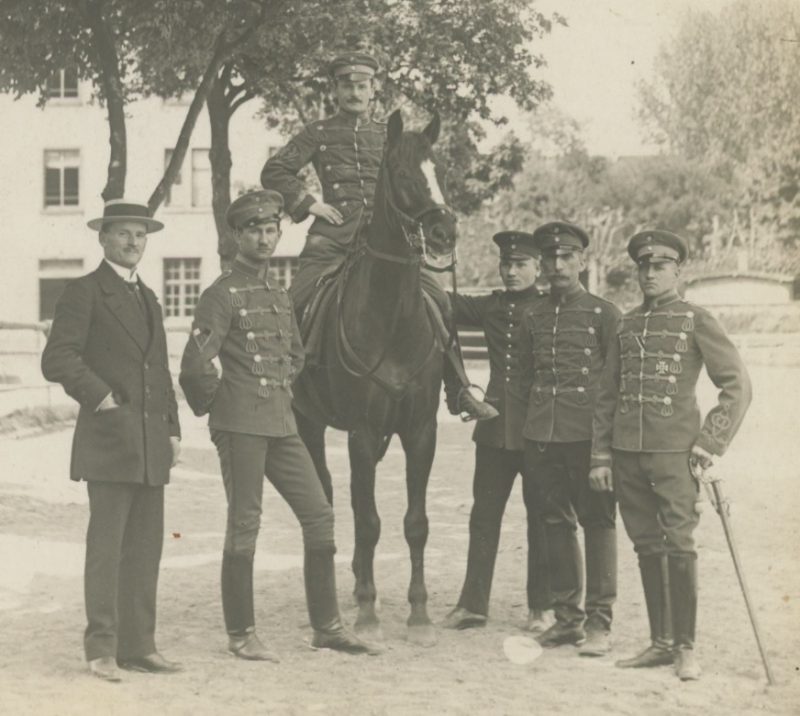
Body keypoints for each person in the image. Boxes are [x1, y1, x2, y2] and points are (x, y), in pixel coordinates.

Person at [179, 190, 376, 660]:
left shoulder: (279, 294)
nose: (264, 238)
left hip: (281, 423)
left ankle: (327, 626)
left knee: (319, 513)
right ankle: (241, 634)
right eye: (254, 231)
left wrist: (279, 388)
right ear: (238, 235)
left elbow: (296, 354)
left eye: (271, 230)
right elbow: (194, 366)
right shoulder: (220, 295)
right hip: (240, 426)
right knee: (245, 522)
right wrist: (223, 405)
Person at [260, 51, 496, 422]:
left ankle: (459, 387)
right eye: (347, 86)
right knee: (296, 299)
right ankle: (286, 383)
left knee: (439, 300)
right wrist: (310, 204)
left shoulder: (391, 136)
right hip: (333, 238)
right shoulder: (317, 134)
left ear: (373, 90)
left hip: (387, 241)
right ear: (336, 90)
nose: (354, 92)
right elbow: (275, 170)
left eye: (362, 86)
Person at [589, 230, 752, 680]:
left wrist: (708, 442)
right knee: (645, 544)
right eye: (644, 266)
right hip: (626, 456)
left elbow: (737, 386)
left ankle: (685, 647)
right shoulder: (625, 325)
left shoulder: (695, 319)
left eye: (659, 266)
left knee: (679, 544)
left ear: (679, 270)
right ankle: (660, 643)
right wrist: (600, 456)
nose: (650, 274)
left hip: (675, 457)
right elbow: (606, 396)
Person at [41, 199, 182, 682]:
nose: (132, 242)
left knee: (146, 548)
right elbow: (57, 358)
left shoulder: (148, 297)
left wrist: (173, 428)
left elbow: (160, 368)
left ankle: (139, 646)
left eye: (140, 235)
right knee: (108, 547)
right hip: (108, 440)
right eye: (122, 234)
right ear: (103, 238)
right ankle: (101, 648)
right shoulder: (84, 292)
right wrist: (100, 397)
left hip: (149, 442)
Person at [517, 221, 620, 656]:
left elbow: (612, 388)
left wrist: (602, 454)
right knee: (554, 524)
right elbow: (525, 378)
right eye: (550, 258)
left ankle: (598, 622)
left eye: (566, 257)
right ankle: (566, 619)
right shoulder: (533, 315)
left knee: (598, 524)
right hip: (543, 436)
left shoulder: (603, 314)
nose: (557, 266)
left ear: (581, 261)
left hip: (586, 438)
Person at [441, 231, 553, 633]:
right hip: (493, 428)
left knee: (540, 518)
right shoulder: (491, 306)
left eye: (520, 265)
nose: (511, 272)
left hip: (539, 430)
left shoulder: (550, 308)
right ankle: (473, 605)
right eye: (506, 264)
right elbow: (443, 302)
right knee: (483, 517)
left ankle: (542, 607)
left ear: (538, 268)